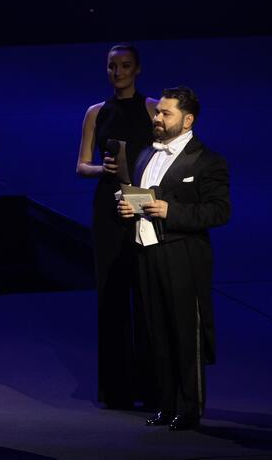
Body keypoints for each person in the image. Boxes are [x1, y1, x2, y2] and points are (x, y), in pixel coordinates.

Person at [118, 86, 230, 430]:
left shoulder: (206, 161)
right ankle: (165, 404)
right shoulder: (145, 155)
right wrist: (128, 206)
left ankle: (189, 408)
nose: (158, 118)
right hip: (147, 251)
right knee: (158, 331)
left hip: (182, 255)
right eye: (158, 112)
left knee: (185, 332)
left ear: (187, 120)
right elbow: (144, 197)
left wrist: (171, 210)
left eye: (166, 113)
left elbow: (219, 211)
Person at [76, 43, 158, 409]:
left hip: (141, 201)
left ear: (137, 69)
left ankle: (151, 385)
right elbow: (81, 165)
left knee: (145, 295)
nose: (118, 72)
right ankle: (116, 389)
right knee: (110, 297)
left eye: (125, 66)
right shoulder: (95, 112)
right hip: (108, 206)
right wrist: (102, 170)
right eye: (112, 66)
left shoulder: (151, 108)